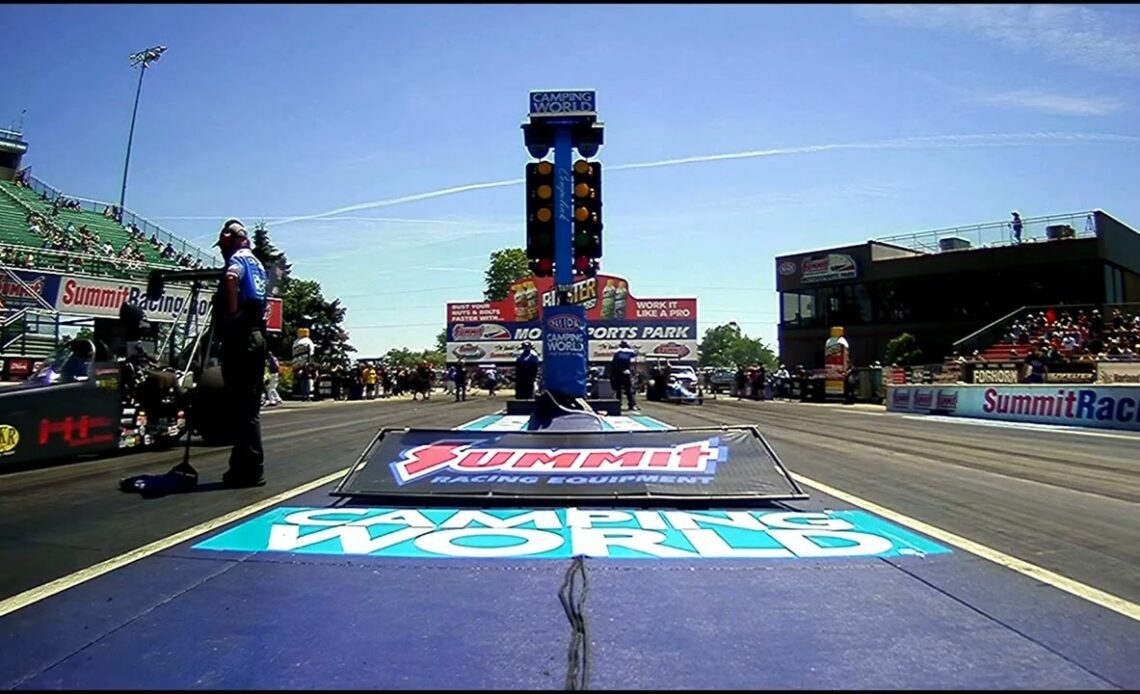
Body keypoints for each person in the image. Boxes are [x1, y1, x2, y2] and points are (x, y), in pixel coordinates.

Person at [213, 219, 269, 487]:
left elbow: (231, 277)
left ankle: (249, 469)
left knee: (242, 408)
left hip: (242, 336)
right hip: (257, 334)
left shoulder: (238, 259)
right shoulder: (258, 263)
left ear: (231, 240)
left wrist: (233, 311)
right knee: (249, 407)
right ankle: (241, 466)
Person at [610, 340, 638, 411]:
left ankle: (618, 404)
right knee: (628, 389)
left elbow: (614, 363)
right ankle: (632, 404)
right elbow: (635, 354)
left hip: (618, 372)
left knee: (618, 390)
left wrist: (612, 374)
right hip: (626, 371)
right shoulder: (629, 351)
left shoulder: (617, 352)